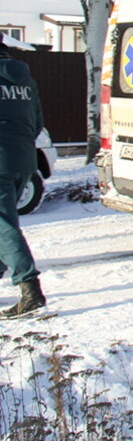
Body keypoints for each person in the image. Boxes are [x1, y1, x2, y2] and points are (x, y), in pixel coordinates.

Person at [0, 33, 46, 318]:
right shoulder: (25, 80)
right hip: (24, 160)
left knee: (3, 225)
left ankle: (30, 290)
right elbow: (38, 122)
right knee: (5, 223)